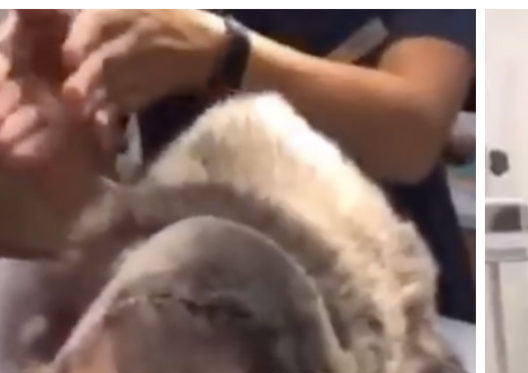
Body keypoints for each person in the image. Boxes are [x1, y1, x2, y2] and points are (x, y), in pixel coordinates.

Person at [0, 9, 475, 323]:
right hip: (209, 322)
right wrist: (57, 118)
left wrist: (227, 54)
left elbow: (413, 134)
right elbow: (68, 223)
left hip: (395, 328)